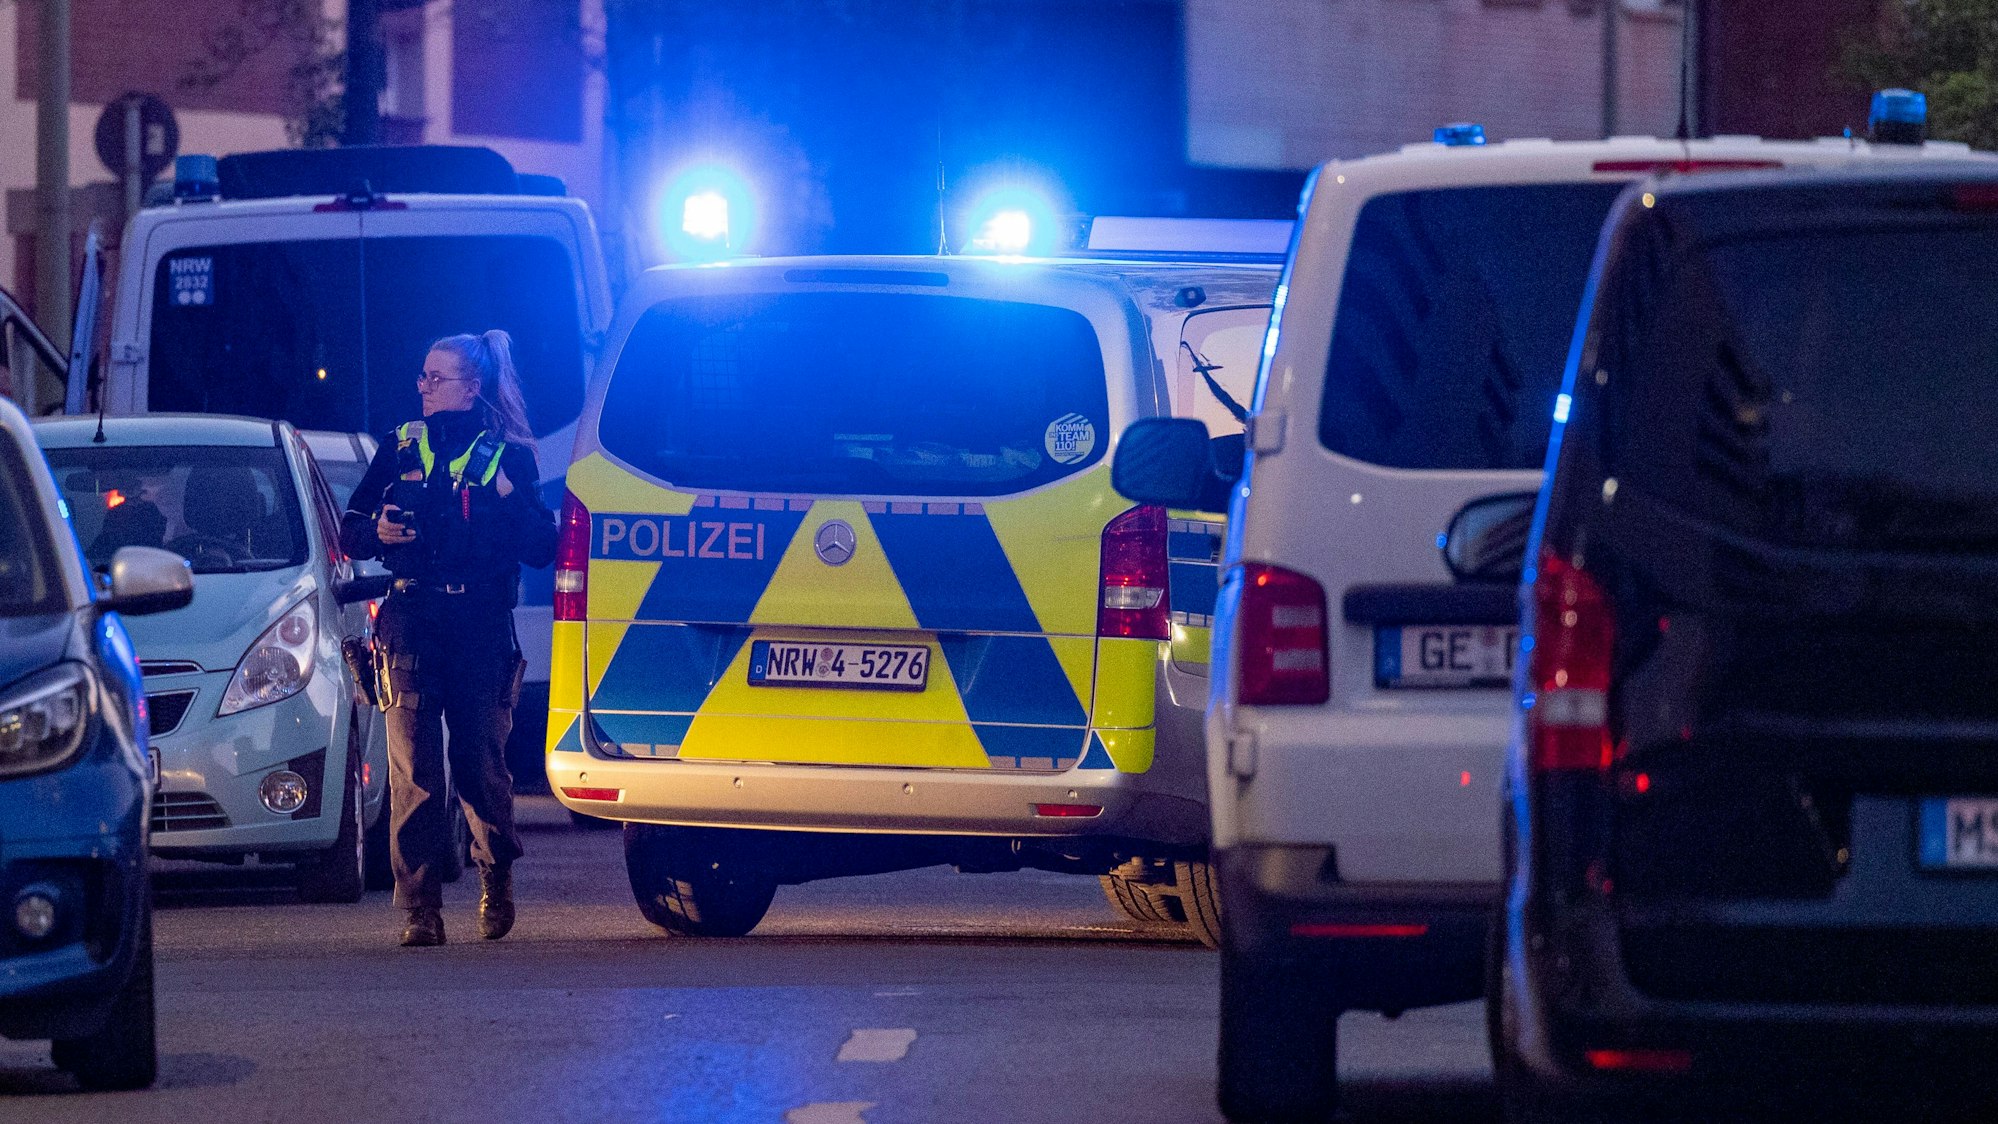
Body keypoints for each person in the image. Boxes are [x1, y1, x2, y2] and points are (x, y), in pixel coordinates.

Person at [341, 330, 557, 947]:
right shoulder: (400, 445)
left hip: (481, 624)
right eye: (422, 377)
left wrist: (512, 500)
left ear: (472, 387)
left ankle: (496, 874)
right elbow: (352, 529)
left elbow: (543, 547)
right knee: (414, 768)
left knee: (478, 763)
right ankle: (420, 908)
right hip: (410, 617)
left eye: (437, 378)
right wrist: (379, 531)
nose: (424, 388)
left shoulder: (508, 455)